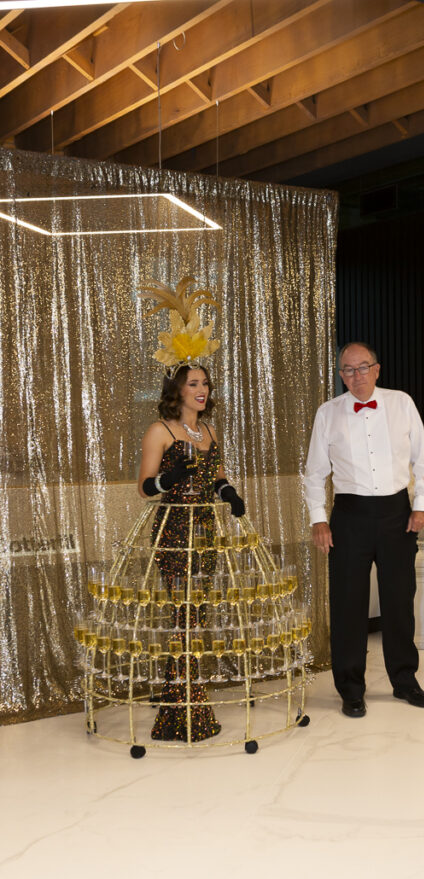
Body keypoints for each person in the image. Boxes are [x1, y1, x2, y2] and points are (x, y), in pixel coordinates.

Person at [137, 279, 245, 742]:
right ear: (177, 389)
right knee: (183, 615)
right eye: (193, 383)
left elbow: (215, 476)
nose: (201, 390)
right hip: (173, 531)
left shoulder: (210, 432)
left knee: (195, 613)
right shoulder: (160, 430)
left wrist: (228, 493)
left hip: (206, 531)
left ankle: (177, 689)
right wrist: (169, 479)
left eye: (204, 383)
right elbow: (144, 489)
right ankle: (183, 706)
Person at [304, 342, 424, 717]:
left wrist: (421, 506)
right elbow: (314, 473)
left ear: (377, 369)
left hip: (397, 513)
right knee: (348, 604)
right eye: (348, 370)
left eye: (363, 368)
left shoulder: (401, 403)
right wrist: (318, 518)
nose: (356, 376)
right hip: (349, 515)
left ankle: (405, 681)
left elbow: (422, 460)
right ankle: (350, 688)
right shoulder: (327, 413)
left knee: (399, 601)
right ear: (340, 374)